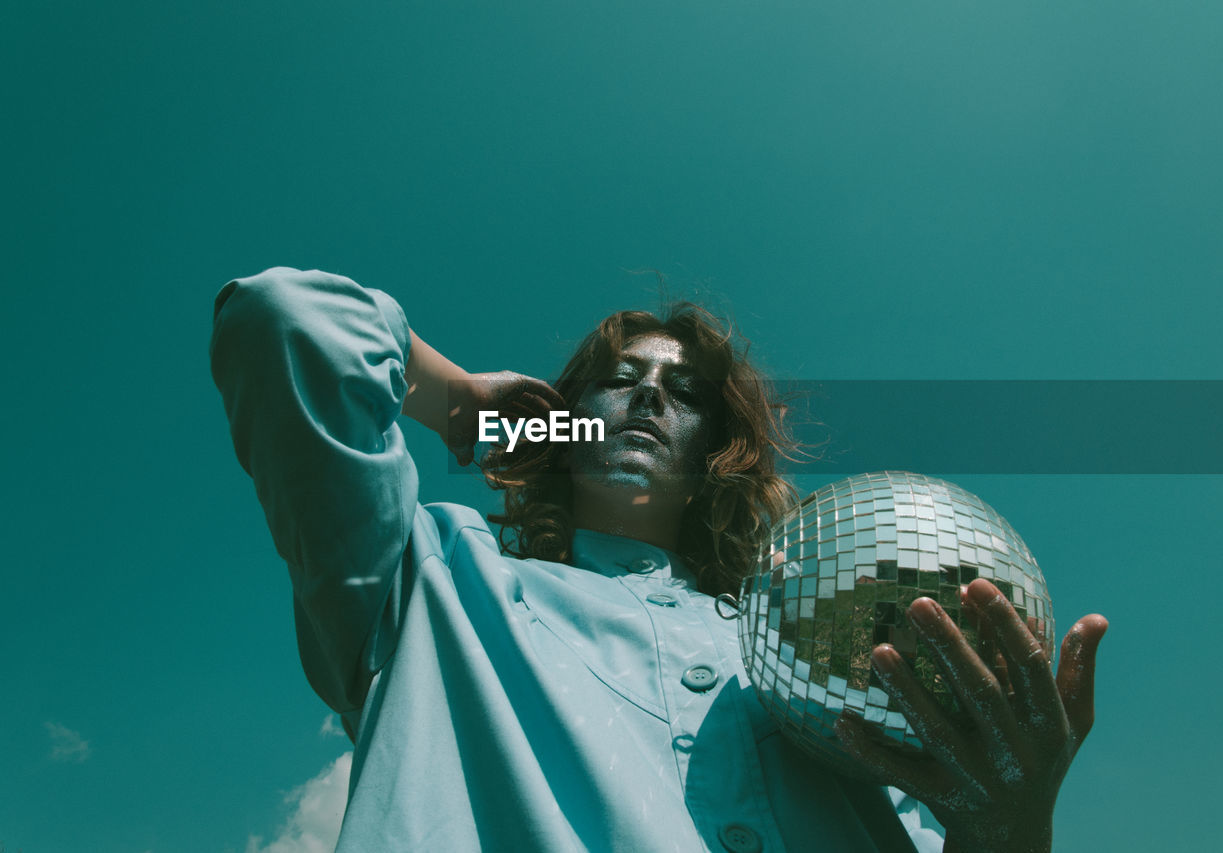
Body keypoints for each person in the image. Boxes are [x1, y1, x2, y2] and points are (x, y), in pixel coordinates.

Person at [210, 267, 1106, 852]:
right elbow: (289, 321)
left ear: (716, 452)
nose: (647, 395)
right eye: (617, 378)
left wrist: (1015, 830)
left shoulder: (803, 658)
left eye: (683, 394)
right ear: (561, 418)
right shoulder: (431, 576)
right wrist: (463, 407)